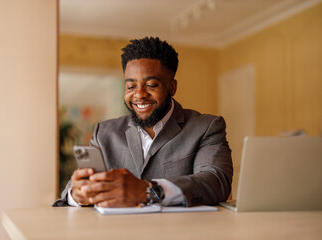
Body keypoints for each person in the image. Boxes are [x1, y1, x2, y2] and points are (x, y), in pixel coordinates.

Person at [53, 37, 233, 208]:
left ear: (172, 87)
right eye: (131, 86)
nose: (139, 94)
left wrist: (148, 191)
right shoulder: (104, 132)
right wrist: (77, 195)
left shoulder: (206, 127)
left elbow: (216, 181)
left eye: (151, 85)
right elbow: (71, 193)